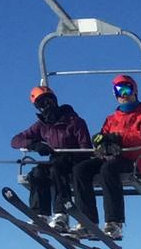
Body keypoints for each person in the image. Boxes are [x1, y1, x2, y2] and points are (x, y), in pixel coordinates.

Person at [70, 74, 141, 238]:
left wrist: (118, 138)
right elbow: (103, 136)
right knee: (80, 169)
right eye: (119, 90)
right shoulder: (111, 119)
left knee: (108, 169)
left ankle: (114, 222)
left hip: (135, 161)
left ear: (135, 91)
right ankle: (87, 221)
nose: (124, 94)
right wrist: (102, 143)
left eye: (127, 89)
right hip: (111, 157)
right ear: (115, 94)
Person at [10, 86, 91, 222]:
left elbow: (86, 148)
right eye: (42, 104)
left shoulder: (74, 122)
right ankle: (40, 214)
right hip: (55, 159)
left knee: (57, 169)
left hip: (75, 159)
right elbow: (15, 140)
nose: (46, 106)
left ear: (55, 101)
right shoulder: (42, 125)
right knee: (38, 172)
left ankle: (61, 212)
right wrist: (34, 144)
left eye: (49, 101)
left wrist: (72, 155)